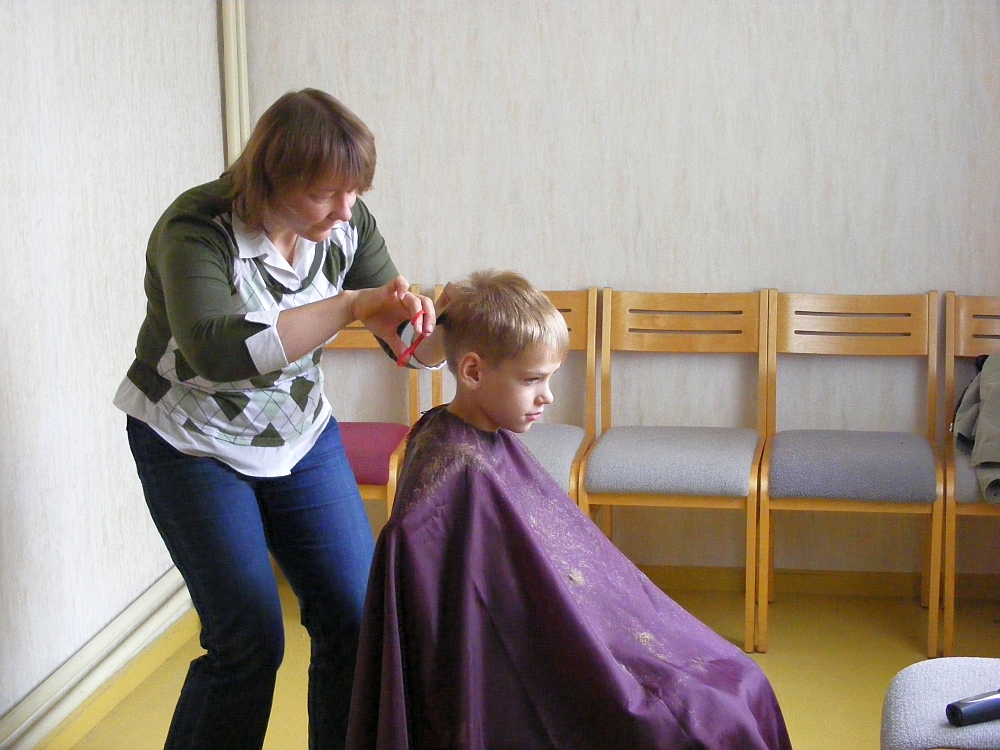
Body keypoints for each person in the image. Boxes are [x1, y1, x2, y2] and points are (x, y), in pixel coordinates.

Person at [115, 89, 443, 750]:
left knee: (356, 618)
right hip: (191, 442)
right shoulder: (195, 230)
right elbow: (219, 351)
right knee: (247, 642)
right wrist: (350, 306)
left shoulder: (346, 220)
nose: (346, 209)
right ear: (272, 175)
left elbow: (405, 339)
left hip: (298, 435)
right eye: (326, 194)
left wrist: (429, 327)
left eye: (354, 192)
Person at [347, 270, 793, 750]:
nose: (548, 396)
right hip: (537, 669)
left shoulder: (473, 441)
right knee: (714, 712)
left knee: (741, 680)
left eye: (550, 377)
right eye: (532, 379)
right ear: (472, 372)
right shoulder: (459, 472)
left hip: (570, 633)